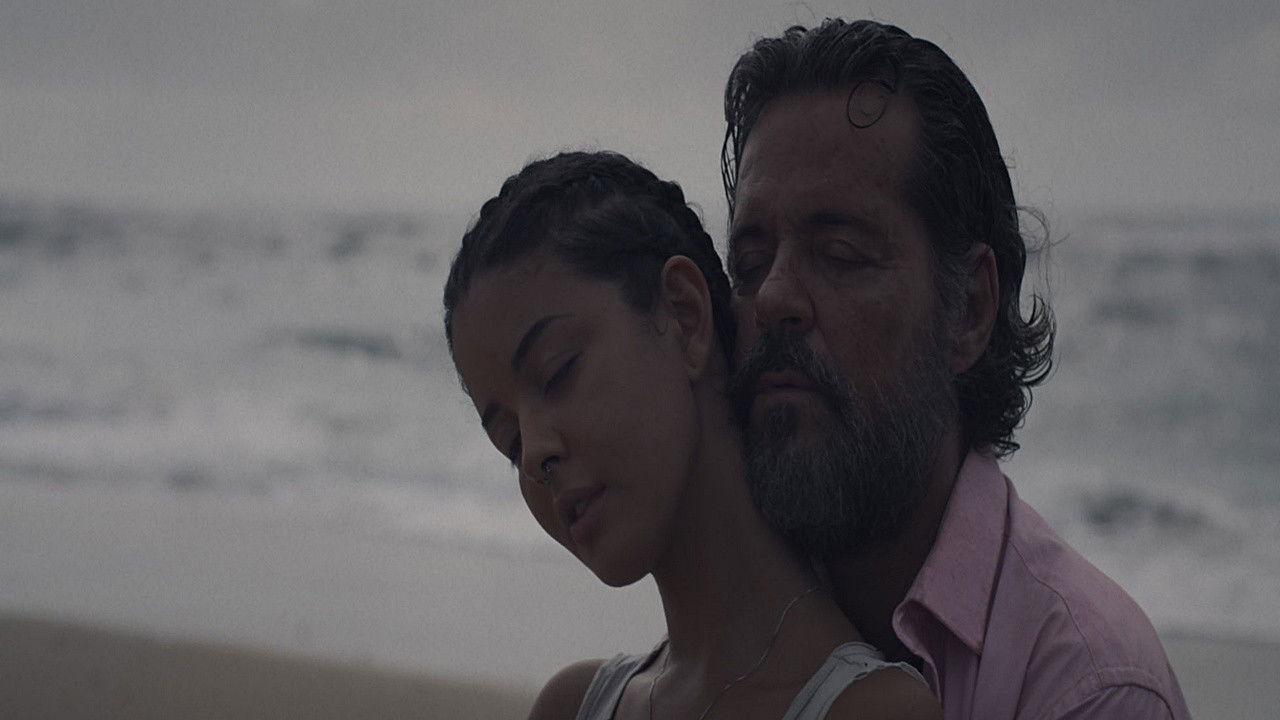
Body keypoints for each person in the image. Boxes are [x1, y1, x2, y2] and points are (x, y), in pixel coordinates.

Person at [719, 18, 1190, 720]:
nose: (773, 297)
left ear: (969, 309)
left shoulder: (1087, 689)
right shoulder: (725, 631)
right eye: (750, 263)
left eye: (841, 255)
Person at [443, 151, 942, 719]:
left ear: (684, 316)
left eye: (558, 373)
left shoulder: (873, 710)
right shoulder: (571, 707)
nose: (535, 453)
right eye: (509, 441)